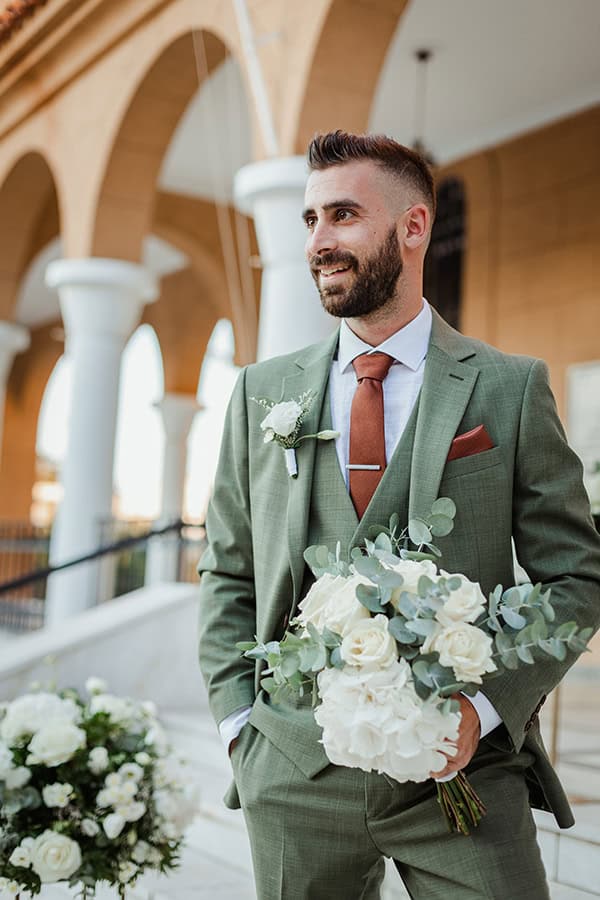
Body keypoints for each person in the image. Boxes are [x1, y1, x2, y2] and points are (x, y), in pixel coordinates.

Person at [198, 131, 600, 899]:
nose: (319, 241)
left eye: (343, 214)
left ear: (413, 227)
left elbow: (576, 577)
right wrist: (238, 727)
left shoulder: (509, 388)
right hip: (292, 768)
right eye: (310, 220)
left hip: (466, 774)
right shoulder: (261, 391)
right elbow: (227, 567)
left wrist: (484, 712)